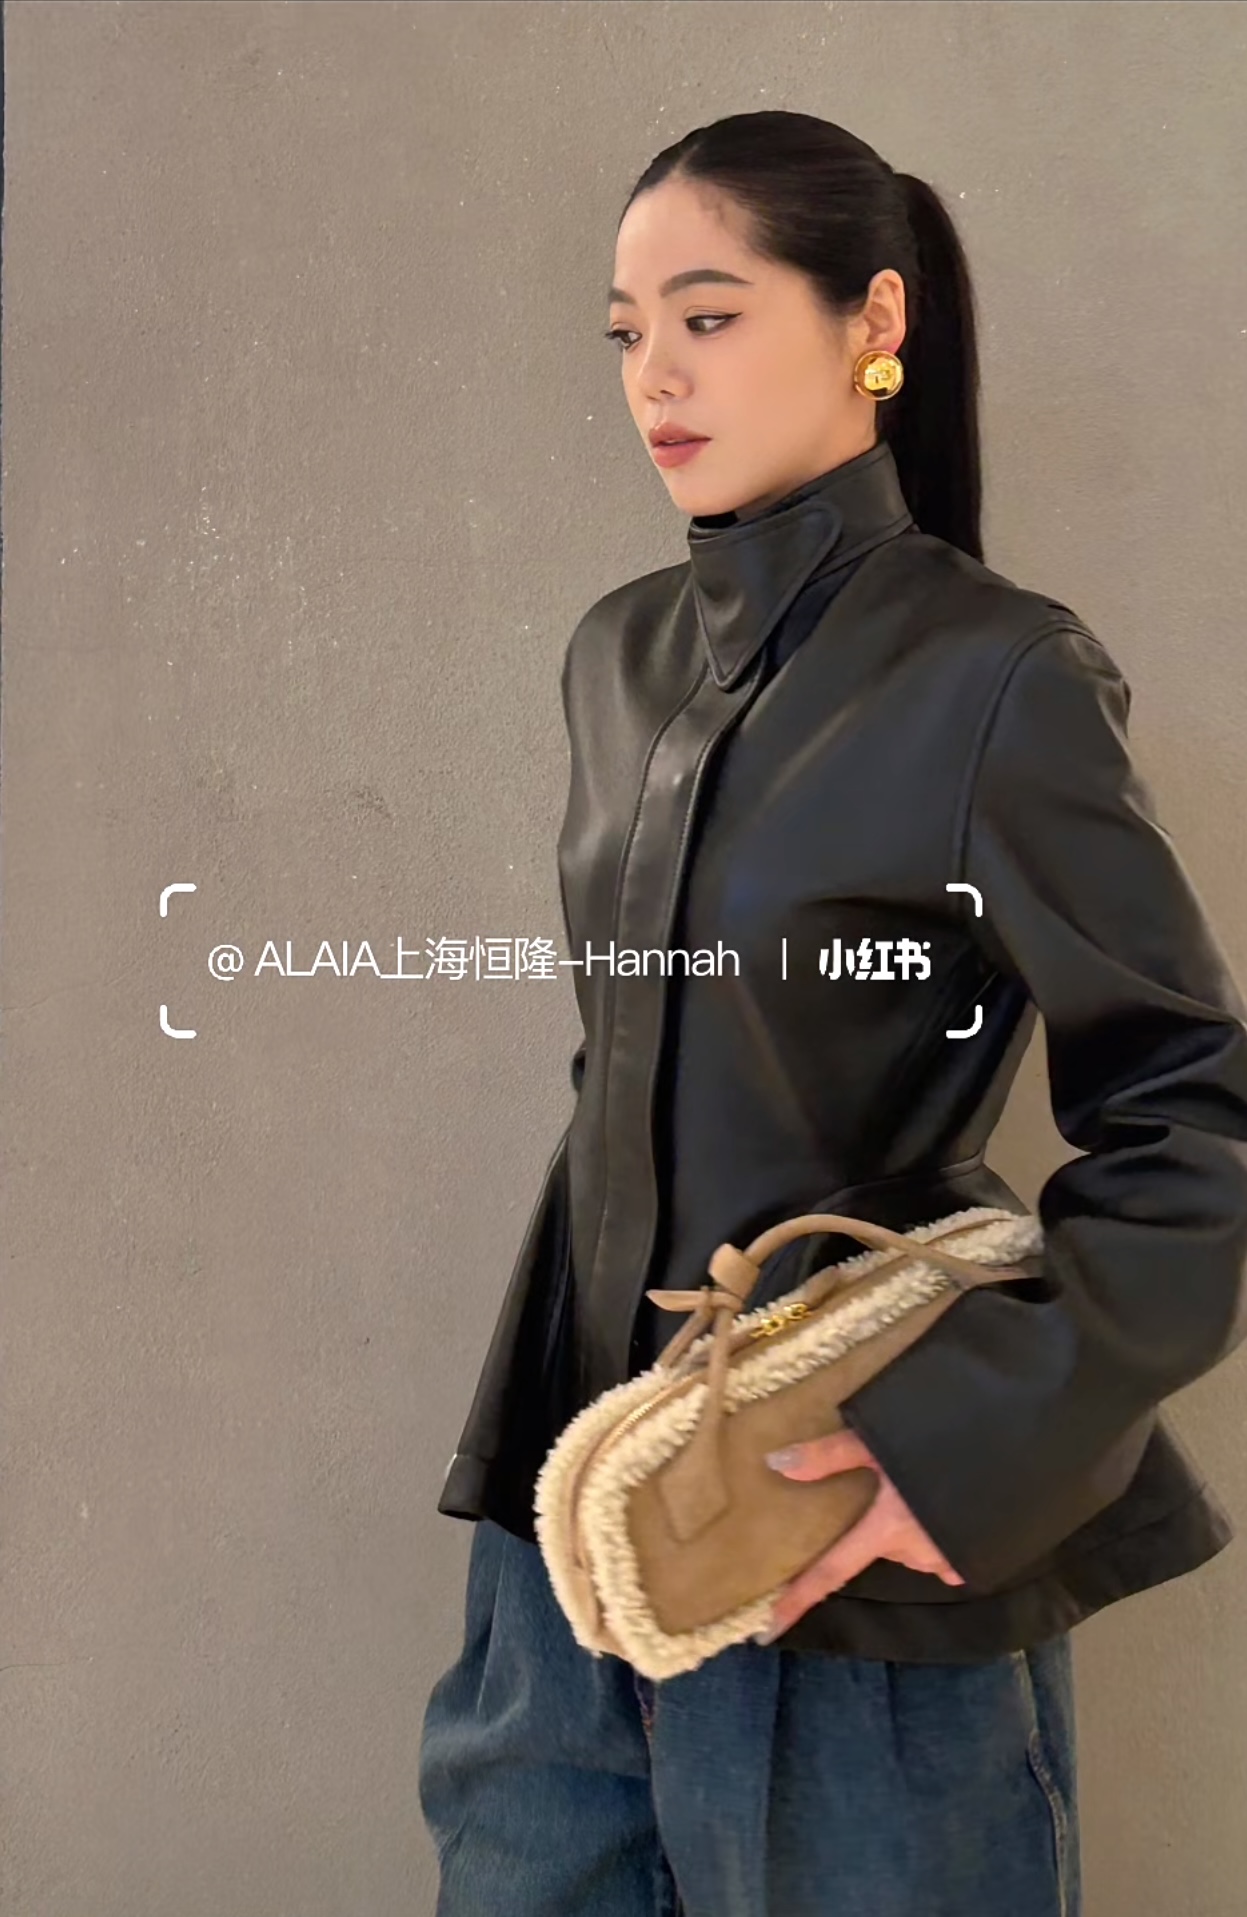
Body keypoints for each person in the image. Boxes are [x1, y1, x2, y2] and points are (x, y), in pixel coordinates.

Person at [418, 111, 1247, 1916]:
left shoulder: (998, 673)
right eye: (628, 330)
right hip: (574, 1538)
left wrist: (954, 1450)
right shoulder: (617, 656)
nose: (655, 374)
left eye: (709, 316)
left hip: (844, 1538)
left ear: (874, 319)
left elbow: (1195, 1113)